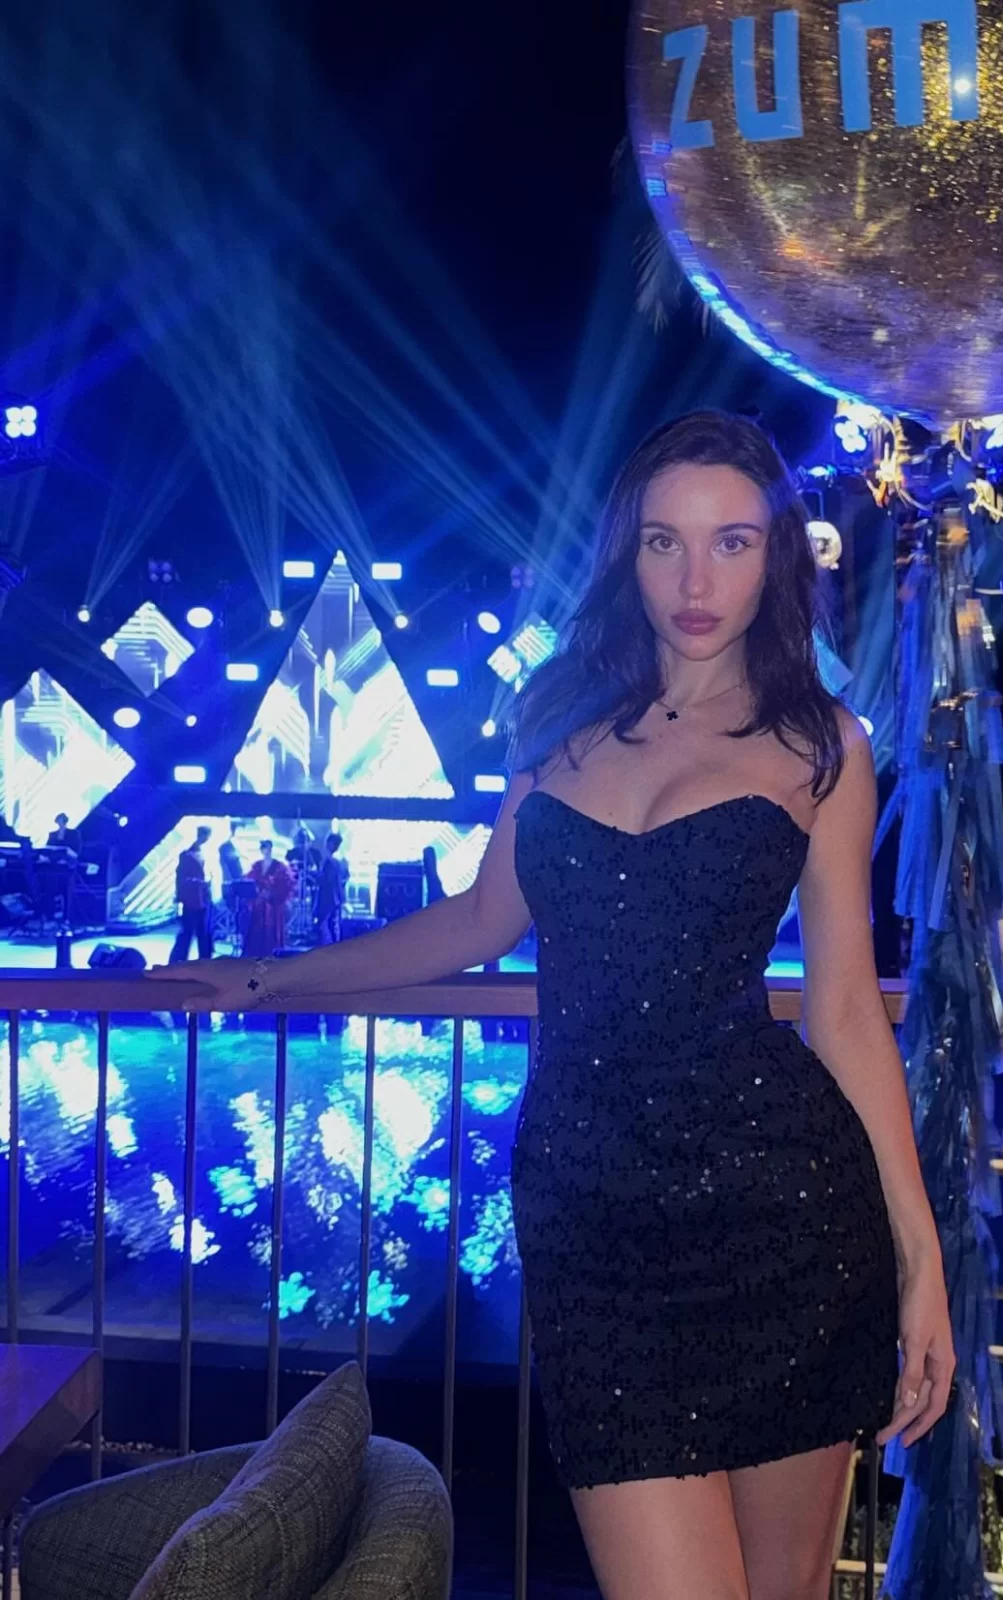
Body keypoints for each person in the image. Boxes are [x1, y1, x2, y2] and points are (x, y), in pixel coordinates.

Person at [150, 411, 953, 1600]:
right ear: (627, 552)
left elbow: (841, 1008)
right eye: (664, 542)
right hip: (589, 1222)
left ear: (775, 556)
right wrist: (268, 976)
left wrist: (918, 1258)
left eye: (731, 543)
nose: (694, 582)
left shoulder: (818, 742)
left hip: (783, 1216)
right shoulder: (556, 718)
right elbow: (480, 919)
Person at [170, 826, 214, 962]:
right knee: (189, 931)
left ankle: (203, 960)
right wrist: (200, 883)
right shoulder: (187, 855)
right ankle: (179, 961)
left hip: (203, 898)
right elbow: (182, 879)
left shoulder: (203, 853)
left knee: (202, 931)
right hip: (192, 899)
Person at [243, 840, 294, 959]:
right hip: (258, 906)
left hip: (272, 907)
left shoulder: (279, 867)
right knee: (257, 931)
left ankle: (272, 956)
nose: (266, 851)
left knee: (271, 932)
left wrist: (271, 895)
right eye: (264, 848)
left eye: (268, 848)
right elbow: (248, 882)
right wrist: (256, 894)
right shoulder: (256, 866)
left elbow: (287, 885)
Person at [315, 833, 349, 945]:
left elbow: (327, 880)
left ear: (331, 844)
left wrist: (314, 876)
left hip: (328, 897)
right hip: (335, 897)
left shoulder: (330, 861)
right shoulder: (341, 861)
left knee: (325, 923)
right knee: (332, 924)